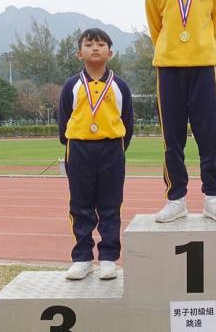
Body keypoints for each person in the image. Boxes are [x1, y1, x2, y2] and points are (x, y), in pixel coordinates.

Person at [145, 0, 216, 223]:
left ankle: (213, 197)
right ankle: (176, 198)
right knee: (172, 139)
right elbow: (156, 29)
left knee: (209, 137)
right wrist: (172, 50)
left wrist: (202, 50)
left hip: (203, 68)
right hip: (169, 69)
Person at [58, 28, 134, 280]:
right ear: (79, 53)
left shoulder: (120, 86)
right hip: (79, 149)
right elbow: (64, 119)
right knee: (80, 206)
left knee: (110, 205)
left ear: (110, 53)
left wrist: (117, 147)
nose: (95, 48)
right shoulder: (72, 85)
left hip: (112, 149)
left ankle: (109, 258)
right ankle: (82, 258)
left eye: (101, 44)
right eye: (89, 44)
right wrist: (72, 143)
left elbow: (127, 121)